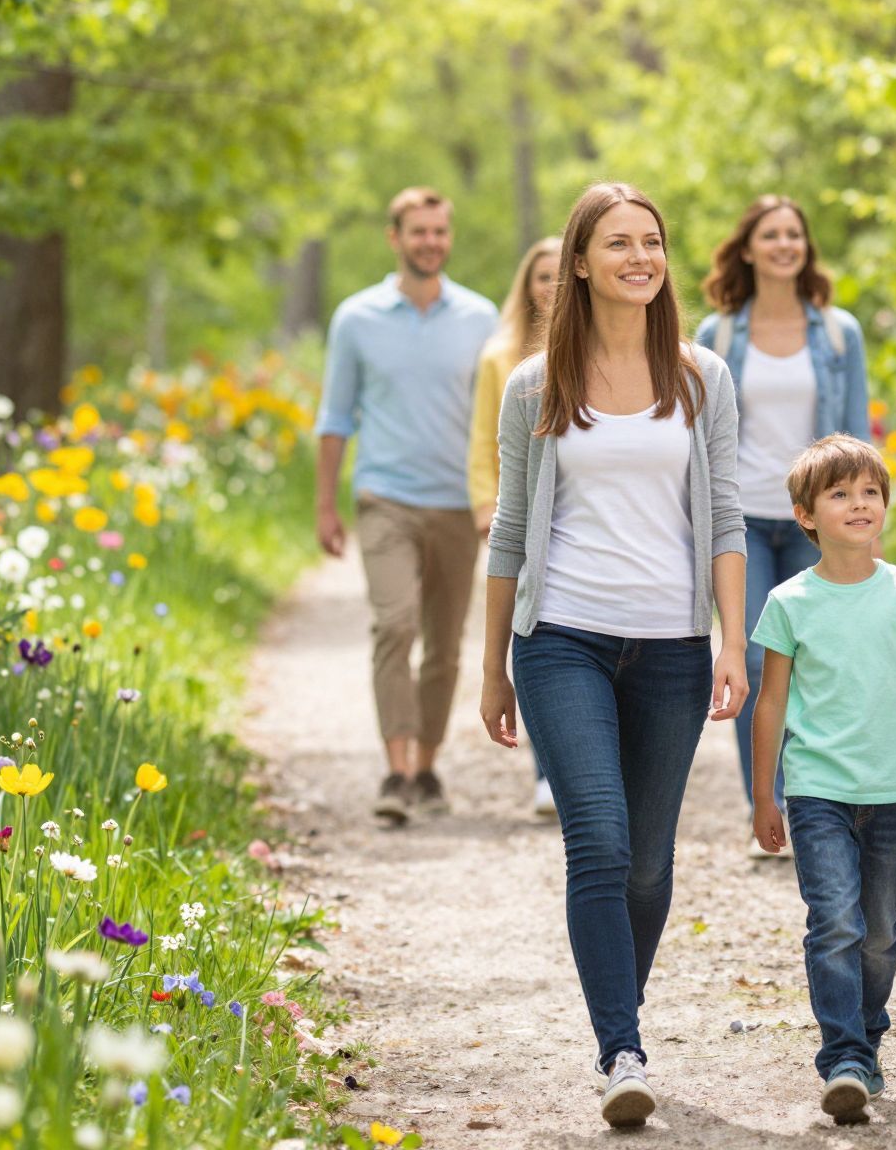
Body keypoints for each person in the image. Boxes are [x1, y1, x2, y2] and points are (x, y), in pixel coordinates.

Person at [479, 182, 750, 1129]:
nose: (641, 258)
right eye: (619, 243)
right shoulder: (534, 385)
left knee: (647, 862)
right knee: (597, 837)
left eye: (652, 242)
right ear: (581, 264)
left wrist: (731, 640)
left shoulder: (703, 378)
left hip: (672, 647)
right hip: (563, 640)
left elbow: (724, 518)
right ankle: (621, 1049)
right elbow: (510, 532)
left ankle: (617, 1011)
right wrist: (491, 665)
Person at [749, 433, 896, 1124]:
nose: (860, 504)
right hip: (816, 789)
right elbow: (771, 704)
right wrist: (764, 795)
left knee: (879, 929)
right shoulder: (789, 602)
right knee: (834, 922)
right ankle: (844, 1057)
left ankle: (867, 1034)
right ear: (805, 515)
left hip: (891, 792)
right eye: (840, 494)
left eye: (870, 492)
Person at [315, 186, 500, 825]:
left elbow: (498, 416)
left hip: (457, 504)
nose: (430, 242)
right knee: (395, 625)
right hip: (385, 498)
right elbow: (335, 416)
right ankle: (395, 771)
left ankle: (426, 766)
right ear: (394, 238)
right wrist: (325, 506)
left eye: (439, 231)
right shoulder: (356, 318)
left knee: (445, 645)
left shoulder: (480, 317)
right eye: (418, 231)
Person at [695, 195, 870, 840]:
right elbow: (694, 440)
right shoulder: (715, 337)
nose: (783, 244)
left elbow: (855, 436)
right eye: (770, 235)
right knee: (755, 662)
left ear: (806, 247)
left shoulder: (838, 333)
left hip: (813, 524)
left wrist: (861, 526)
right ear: (747, 248)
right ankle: (766, 803)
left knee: (818, 664)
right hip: (739, 523)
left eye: (794, 234)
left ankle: (815, 803)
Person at [469, 236, 563, 819]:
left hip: (567, 512)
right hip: (518, 511)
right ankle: (545, 770)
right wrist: (487, 505)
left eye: (561, 275)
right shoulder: (499, 357)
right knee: (535, 628)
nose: (552, 287)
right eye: (542, 276)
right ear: (526, 284)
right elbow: (483, 439)